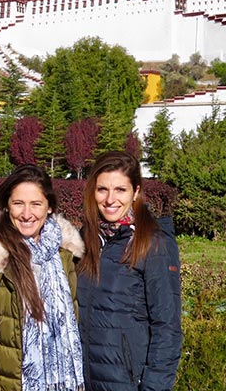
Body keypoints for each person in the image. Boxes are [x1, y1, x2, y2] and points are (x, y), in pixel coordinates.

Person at [0, 164, 86, 391]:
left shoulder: (65, 255)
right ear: (7, 206)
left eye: (36, 204)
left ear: (50, 207)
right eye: (18, 203)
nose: (27, 214)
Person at [77, 151, 182, 391]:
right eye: (102, 189)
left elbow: (167, 327)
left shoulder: (152, 243)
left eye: (120, 190)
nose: (110, 199)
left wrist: (154, 387)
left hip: (127, 383)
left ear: (135, 192)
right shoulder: (86, 239)